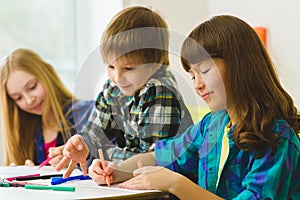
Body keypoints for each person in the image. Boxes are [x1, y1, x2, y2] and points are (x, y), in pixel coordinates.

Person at [88, 15, 300, 199]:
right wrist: (116, 169)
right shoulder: (212, 125)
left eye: (205, 71)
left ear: (240, 66)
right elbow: (158, 157)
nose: (197, 85)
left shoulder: (278, 138)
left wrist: (176, 184)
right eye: (192, 76)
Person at [55, 6, 193, 177]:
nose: (117, 77)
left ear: (156, 63)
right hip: (133, 181)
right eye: (111, 66)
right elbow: (94, 134)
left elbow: (150, 160)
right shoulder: (113, 88)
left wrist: (103, 154)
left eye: (129, 68)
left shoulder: (160, 91)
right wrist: (82, 144)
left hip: (167, 186)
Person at [0, 48, 94, 166]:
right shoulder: (28, 131)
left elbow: (113, 161)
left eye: (32, 87)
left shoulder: (89, 113)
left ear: (47, 76)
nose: (29, 100)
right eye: (18, 98)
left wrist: (79, 162)